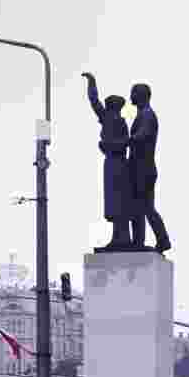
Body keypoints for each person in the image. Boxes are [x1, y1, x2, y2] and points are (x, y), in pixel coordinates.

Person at [82, 73, 132, 251]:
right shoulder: (110, 119)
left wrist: (107, 145)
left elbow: (126, 142)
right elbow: (94, 101)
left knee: (119, 202)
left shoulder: (117, 122)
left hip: (118, 164)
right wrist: (92, 82)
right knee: (114, 202)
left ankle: (122, 238)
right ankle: (118, 237)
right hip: (111, 163)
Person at [127, 83, 171, 252]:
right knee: (140, 207)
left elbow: (142, 135)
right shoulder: (144, 114)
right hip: (141, 168)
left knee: (144, 207)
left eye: (133, 93)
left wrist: (125, 141)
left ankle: (160, 240)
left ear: (141, 95)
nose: (130, 96)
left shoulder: (147, 115)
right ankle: (140, 242)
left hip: (143, 169)